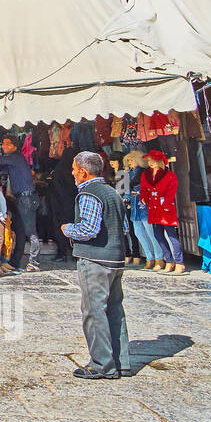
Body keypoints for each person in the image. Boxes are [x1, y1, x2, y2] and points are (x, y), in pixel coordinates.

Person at [61, 150, 131, 379]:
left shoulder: (89, 194)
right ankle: (121, 362)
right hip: (115, 258)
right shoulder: (112, 192)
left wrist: (67, 229)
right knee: (114, 310)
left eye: (74, 169)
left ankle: (102, 364)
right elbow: (125, 228)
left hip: (96, 259)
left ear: (83, 171)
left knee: (94, 312)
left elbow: (89, 229)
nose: (72, 173)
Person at [0, 134, 41, 270]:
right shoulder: (13, 161)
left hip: (27, 198)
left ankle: (34, 262)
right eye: (3, 143)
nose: (4, 146)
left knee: (30, 231)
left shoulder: (15, 157)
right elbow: (1, 167)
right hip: (21, 198)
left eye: (7, 144)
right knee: (20, 230)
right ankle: (15, 262)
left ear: (14, 146)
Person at [140, 150, 184, 274]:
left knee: (171, 235)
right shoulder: (146, 174)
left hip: (165, 208)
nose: (150, 163)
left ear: (159, 161)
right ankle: (169, 261)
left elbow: (171, 192)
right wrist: (143, 197)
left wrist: (165, 204)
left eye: (152, 161)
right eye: (149, 161)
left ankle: (179, 262)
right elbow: (144, 189)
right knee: (158, 235)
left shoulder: (169, 175)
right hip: (153, 208)